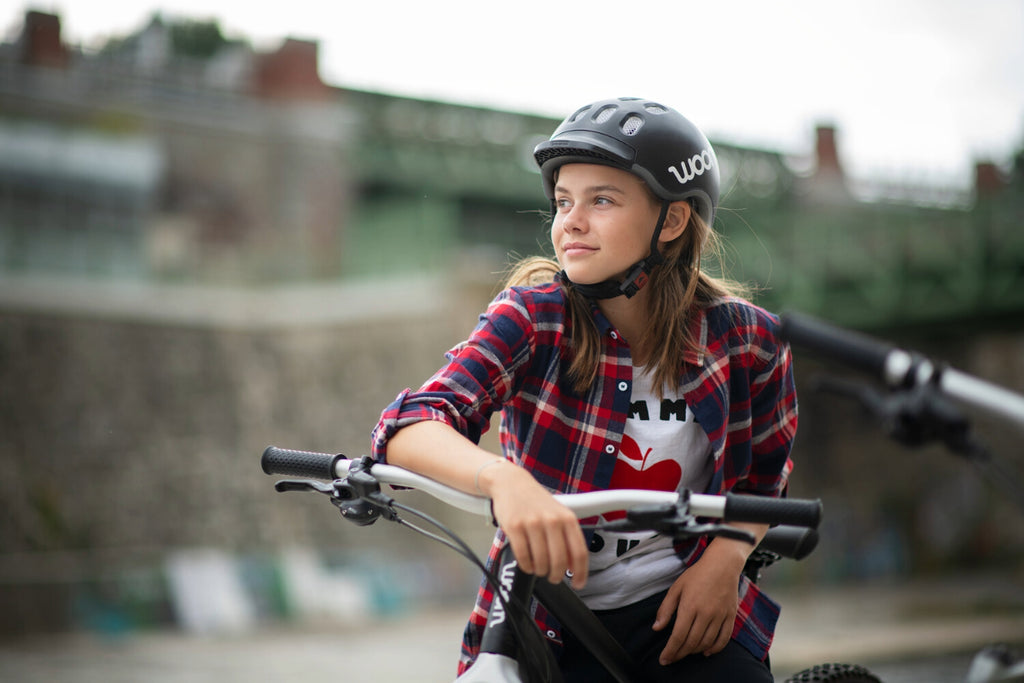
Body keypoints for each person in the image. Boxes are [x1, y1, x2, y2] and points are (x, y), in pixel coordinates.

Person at [370, 96, 797, 682]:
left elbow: (764, 478)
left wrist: (728, 555)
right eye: (564, 201)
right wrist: (505, 480)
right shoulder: (532, 318)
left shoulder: (749, 340)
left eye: (602, 200)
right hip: (544, 615)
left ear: (670, 221)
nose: (570, 221)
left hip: (685, 610)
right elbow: (412, 424)